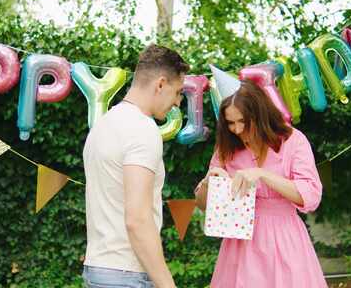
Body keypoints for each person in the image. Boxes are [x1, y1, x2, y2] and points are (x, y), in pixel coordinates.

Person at [195, 80, 327, 287]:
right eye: (230, 123)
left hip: (284, 238)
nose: (237, 129)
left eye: (243, 121)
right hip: (240, 244)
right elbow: (203, 204)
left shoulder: (293, 140)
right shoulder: (226, 147)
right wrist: (209, 182)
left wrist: (262, 174)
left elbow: (310, 196)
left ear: (260, 115)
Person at [82, 44, 189, 288]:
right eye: (178, 92)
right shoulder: (142, 129)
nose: (178, 102)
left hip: (98, 268)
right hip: (126, 274)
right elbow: (137, 219)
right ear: (160, 84)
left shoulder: (104, 124)